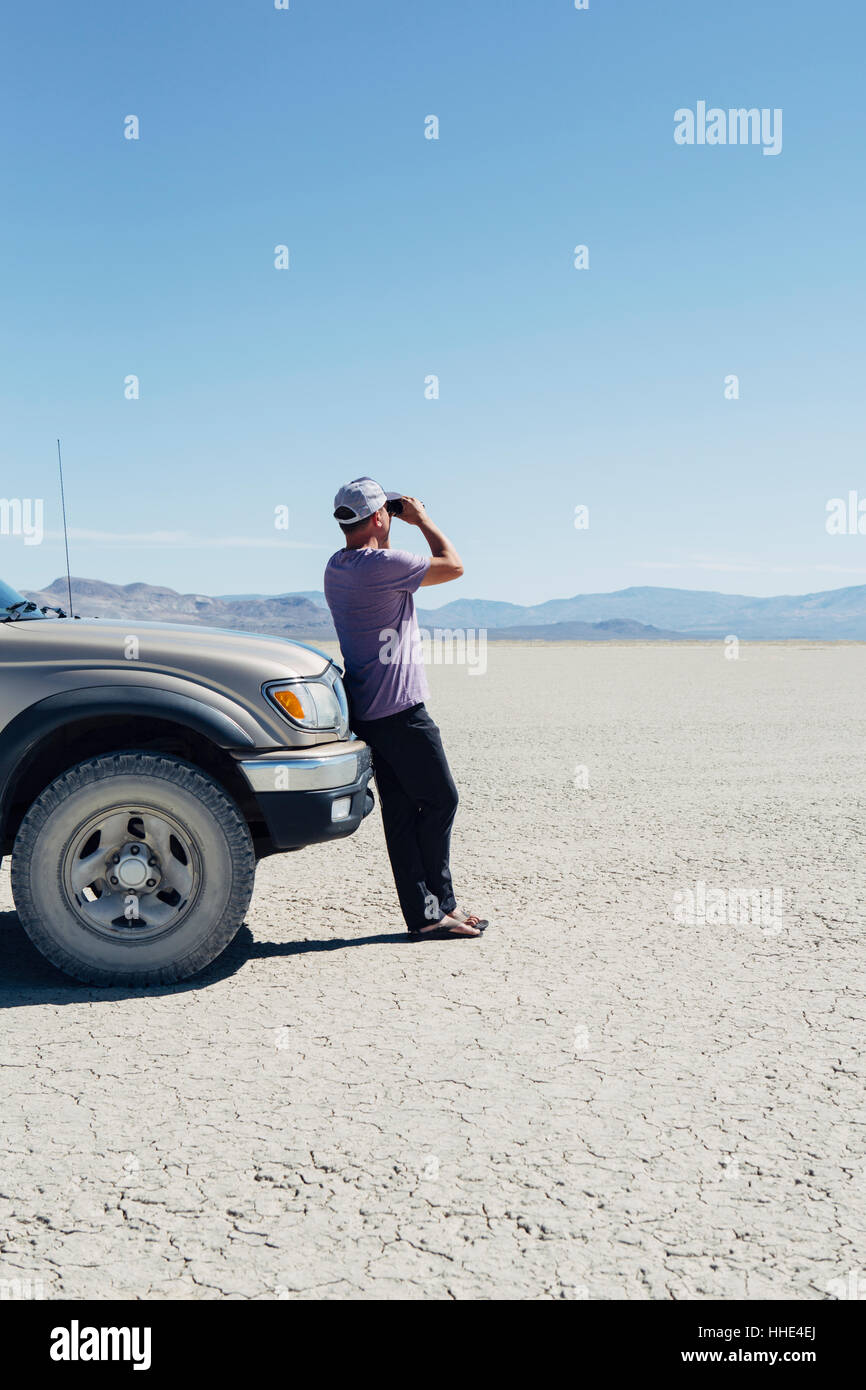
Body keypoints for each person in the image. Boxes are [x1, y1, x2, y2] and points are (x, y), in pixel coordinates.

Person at [324, 477, 488, 940]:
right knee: (441, 799)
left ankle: (428, 915)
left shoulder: (336, 566)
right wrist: (420, 519)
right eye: (387, 514)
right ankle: (440, 908)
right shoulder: (382, 564)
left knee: (401, 812)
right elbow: (453, 566)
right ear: (379, 517)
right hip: (401, 711)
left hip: (368, 711)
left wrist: (394, 520)